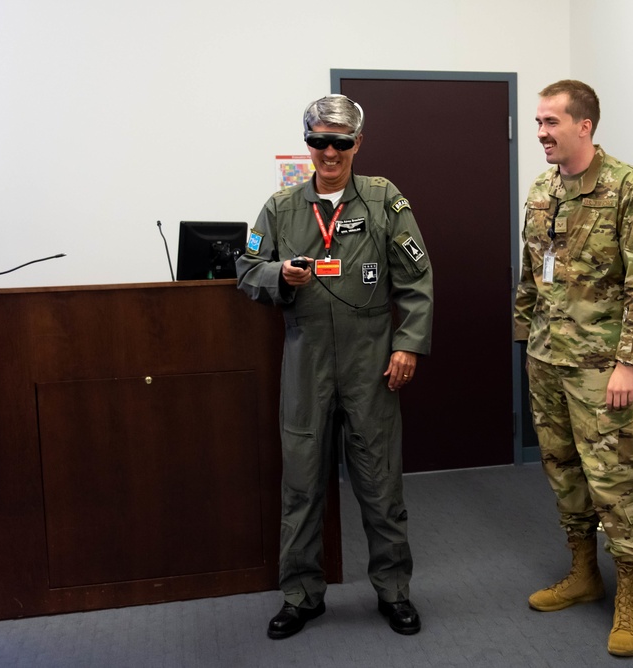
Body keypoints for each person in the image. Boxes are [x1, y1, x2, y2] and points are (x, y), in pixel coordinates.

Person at [236, 94, 434, 640]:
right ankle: (301, 595)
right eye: (320, 141)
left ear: (357, 144)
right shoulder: (280, 208)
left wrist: (408, 344)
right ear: (308, 144)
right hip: (306, 360)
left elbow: (416, 279)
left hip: (372, 359)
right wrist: (279, 276)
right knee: (301, 482)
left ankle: (394, 591)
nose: (330, 151)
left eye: (341, 142)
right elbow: (246, 268)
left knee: (379, 481)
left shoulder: (383, 200)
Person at [513, 80, 633, 657]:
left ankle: (630, 595)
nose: (541, 133)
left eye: (551, 122)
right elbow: (532, 272)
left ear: (585, 125)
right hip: (546, 359)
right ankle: (584, 573)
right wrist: (523, 337)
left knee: (614, 481)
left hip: (603, 368)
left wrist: (629, 363)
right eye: (537, 122)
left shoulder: (630, 188)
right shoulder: (540, 190)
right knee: (562, 470)